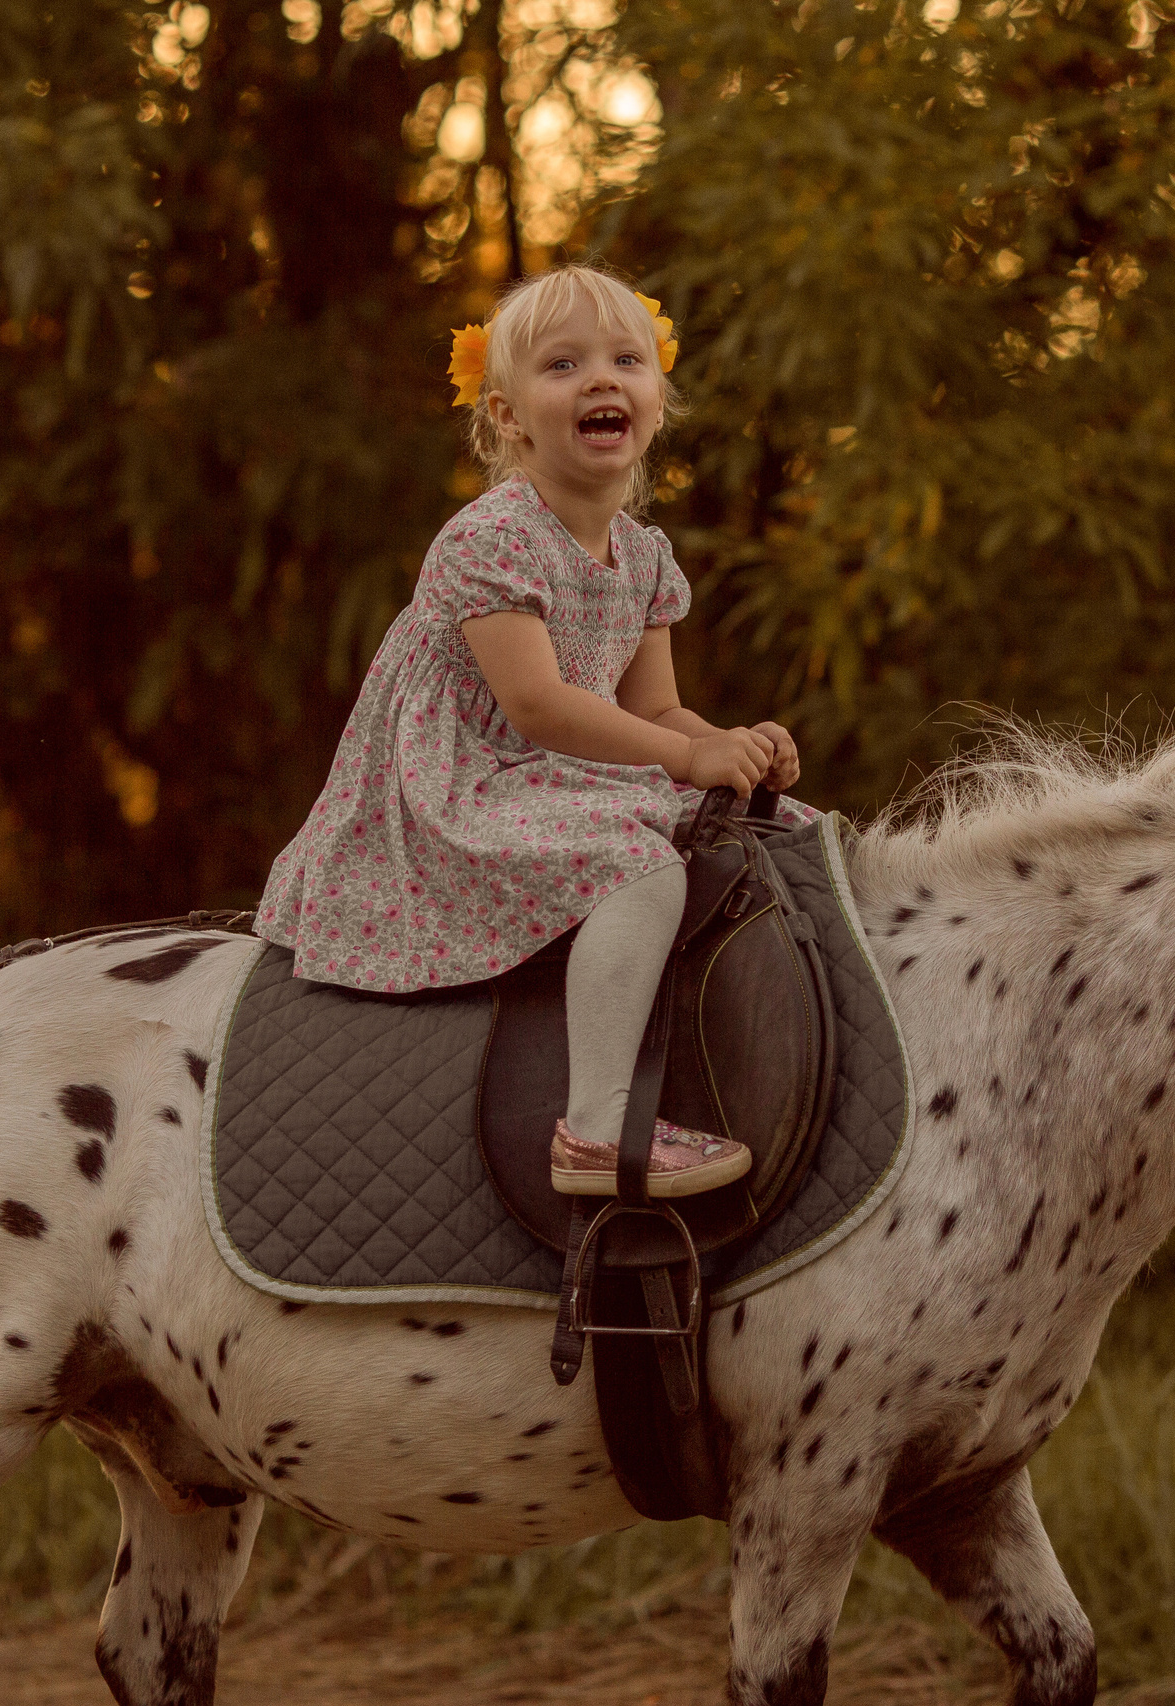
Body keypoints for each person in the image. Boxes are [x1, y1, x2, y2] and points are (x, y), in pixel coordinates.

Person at [254, 264, 803, 1198]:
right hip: (464, 787)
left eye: (625, 359)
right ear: (510, 417)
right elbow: (537, 706)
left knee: (790, 831)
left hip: (562, 771)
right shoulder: (491, 537)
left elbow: (657, 711)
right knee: (637, 868)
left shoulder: (645, 556)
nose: (601, 379)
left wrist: (730, 743)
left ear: (655, 402)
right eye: (564, 364)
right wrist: (682, 756)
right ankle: (593, 1131)